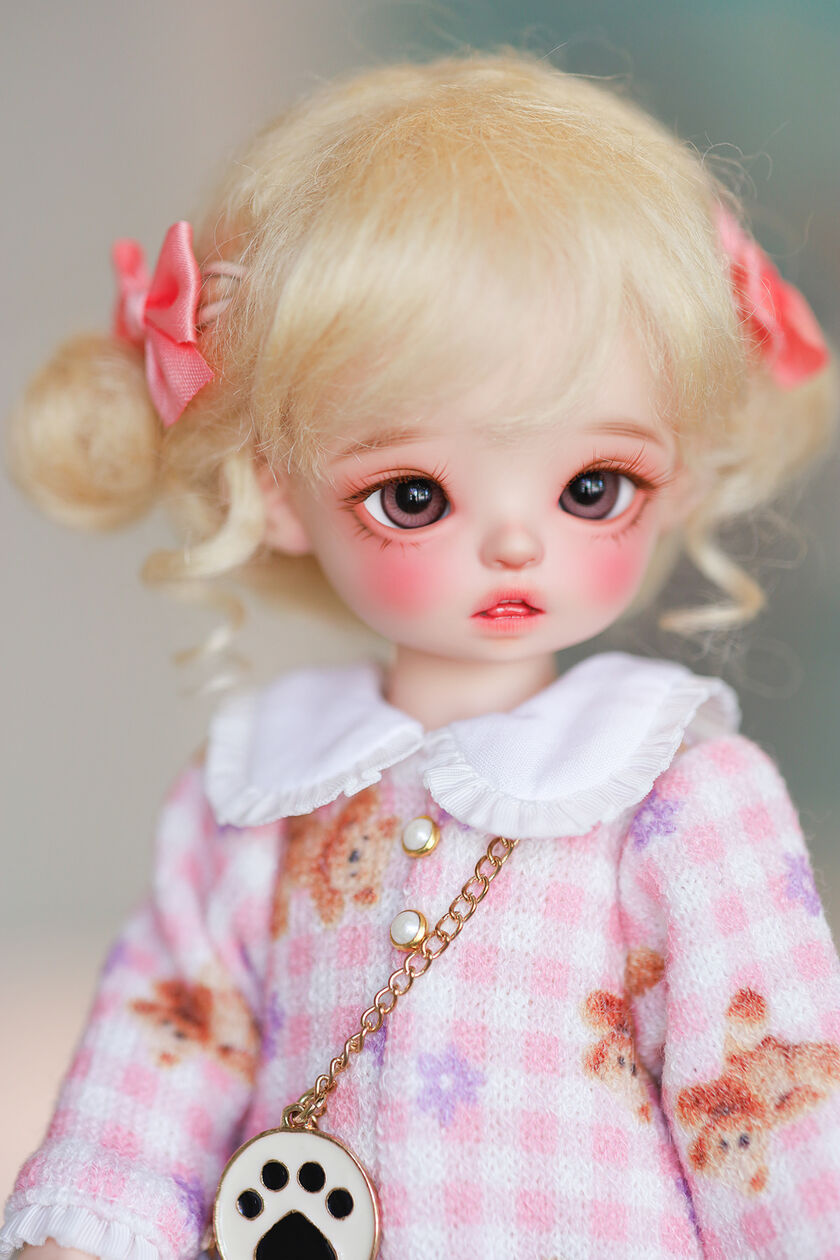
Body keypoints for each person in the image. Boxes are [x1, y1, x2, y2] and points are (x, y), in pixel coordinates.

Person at [3, 52, 839, 1260]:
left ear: (681, 475)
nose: (514, 543)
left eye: (590, 487)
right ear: (275, 493)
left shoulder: (682, 798)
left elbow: (770, 1113)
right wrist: (92, 1229)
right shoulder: (259, 796)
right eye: (414, 495)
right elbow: (163, 1047)